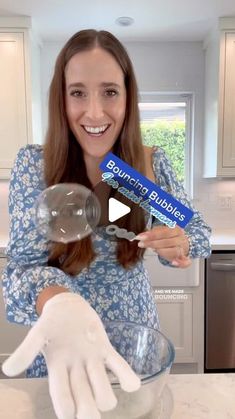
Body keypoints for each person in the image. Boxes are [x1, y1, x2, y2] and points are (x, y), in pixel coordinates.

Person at [1, 29, 211, 418]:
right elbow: (18, 271)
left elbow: (198, 232)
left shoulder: (147, 167)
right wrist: (57, 300)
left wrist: (180, 242)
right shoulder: (36, 165)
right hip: (65, 341)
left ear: (128, 98)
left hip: (136, 340)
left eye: (110, 92)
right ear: (60, 99)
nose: (95, 113)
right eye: (78, 92)